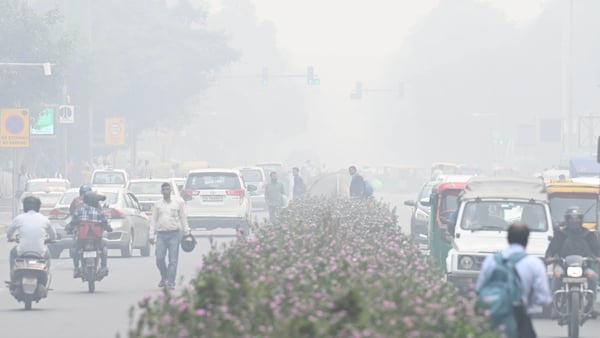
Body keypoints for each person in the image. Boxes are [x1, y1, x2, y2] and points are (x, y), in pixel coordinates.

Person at [477, 222, 551, 338]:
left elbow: (480, 288)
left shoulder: (491, 260)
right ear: (527, 240)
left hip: (492, 317)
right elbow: (543, 298)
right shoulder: (534, 263)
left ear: (508, 238)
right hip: (520, 318)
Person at [545, 207, 600, 313]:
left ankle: (591, 303)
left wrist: (598, 257)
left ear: (581, 220)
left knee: (593, 276)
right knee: (557, 275)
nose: (574, 221)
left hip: (583, 267)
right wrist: (549, 257)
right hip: (563, 265)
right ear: (567, 220)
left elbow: (597, 249)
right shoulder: (561, 234)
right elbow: (552, 249)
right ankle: (554, 304)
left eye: (577, 219)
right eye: (571, 219)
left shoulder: (588, 235)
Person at [149, 182, 190, 289]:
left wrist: (186, 231)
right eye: (164, 189)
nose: (166, 191)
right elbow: (153, 220)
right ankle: (164, 276)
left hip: (174, 234)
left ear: (170, 191)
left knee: (173, 260)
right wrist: (151, 235)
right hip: (161, 235)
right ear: (161, 191)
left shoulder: (177, 204)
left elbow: (182, 218)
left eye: (168, 189)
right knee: (159, 258)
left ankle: (171, 281)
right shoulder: (157, 205)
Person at [6, 196, 56, 279]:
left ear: (25, 206)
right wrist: (50, 239)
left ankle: (13, 276)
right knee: (48, 256)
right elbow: (53, 235)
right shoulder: (44, 219)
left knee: (12, 252)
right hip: (40, 252)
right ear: (38, 206)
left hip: (22, 251)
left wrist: (10, 238)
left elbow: (9, 232)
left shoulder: (19, 218)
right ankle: (45, 274)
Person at [70, 191, 112, 278]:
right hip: (97, 239)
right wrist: (109, 228)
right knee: (104, 248)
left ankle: (76, 268)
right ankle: (104, 266)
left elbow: (73, 222)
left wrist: (69, 228)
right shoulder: (99, 212)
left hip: (82, 240)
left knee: (74, 248)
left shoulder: (79, 211)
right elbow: (105, 223)